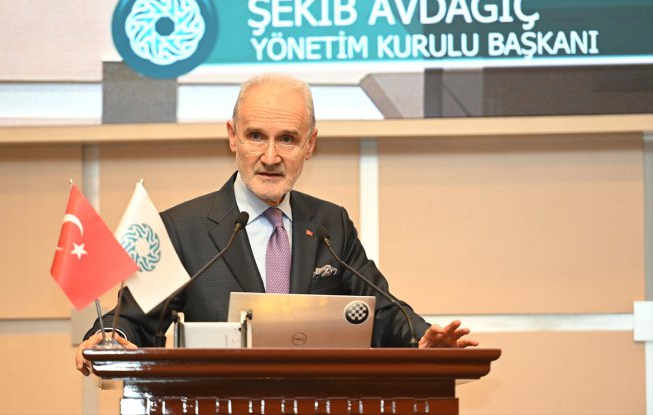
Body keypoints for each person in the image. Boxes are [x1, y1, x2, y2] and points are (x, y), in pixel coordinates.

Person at [76, 73, 478, 376]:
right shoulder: (182, 228)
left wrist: (424, 338)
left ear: (310, 144)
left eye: (287, 139)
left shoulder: (330, 225)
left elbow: (382, 312)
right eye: (256, 136)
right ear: (232, 137)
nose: (270, 157)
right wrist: (111, 338)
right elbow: (133, 319)